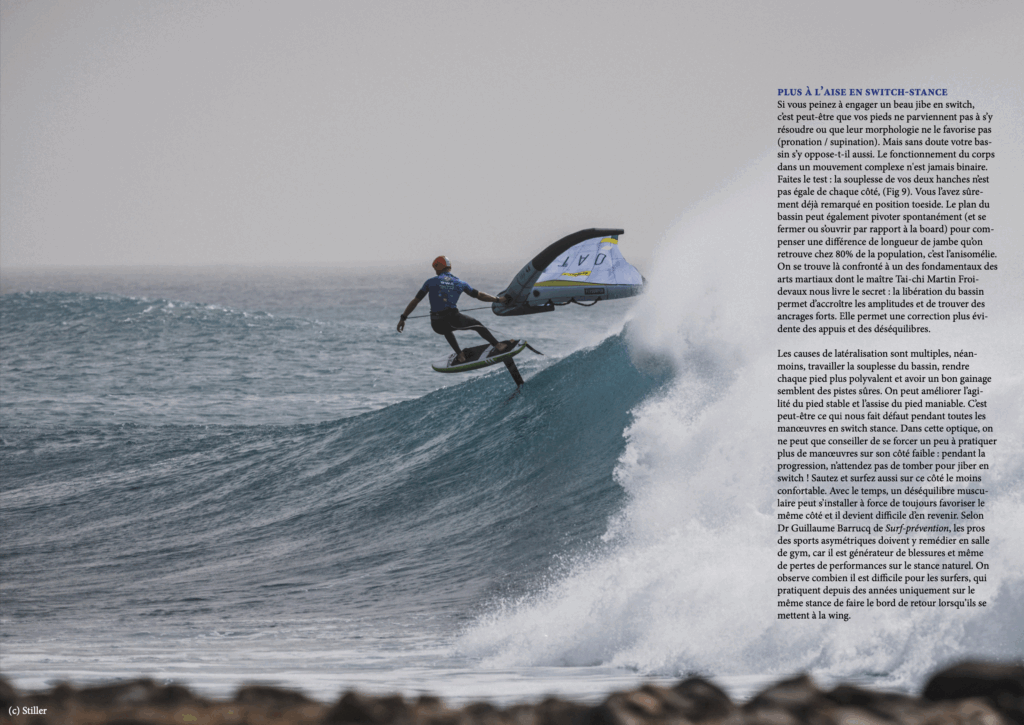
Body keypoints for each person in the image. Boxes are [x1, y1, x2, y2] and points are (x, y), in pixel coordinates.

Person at [397, 256, 511, 363]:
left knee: (446, 329)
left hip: (436, 324)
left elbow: (415, 301)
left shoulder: (430, 282)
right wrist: (499, 299)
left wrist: (403, 318)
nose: (435, 271)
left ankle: (460, 354)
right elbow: (479, 295)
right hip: (453, 319)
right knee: (477, 325)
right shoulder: (459, 283)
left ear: (438, 267)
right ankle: (498, 345)